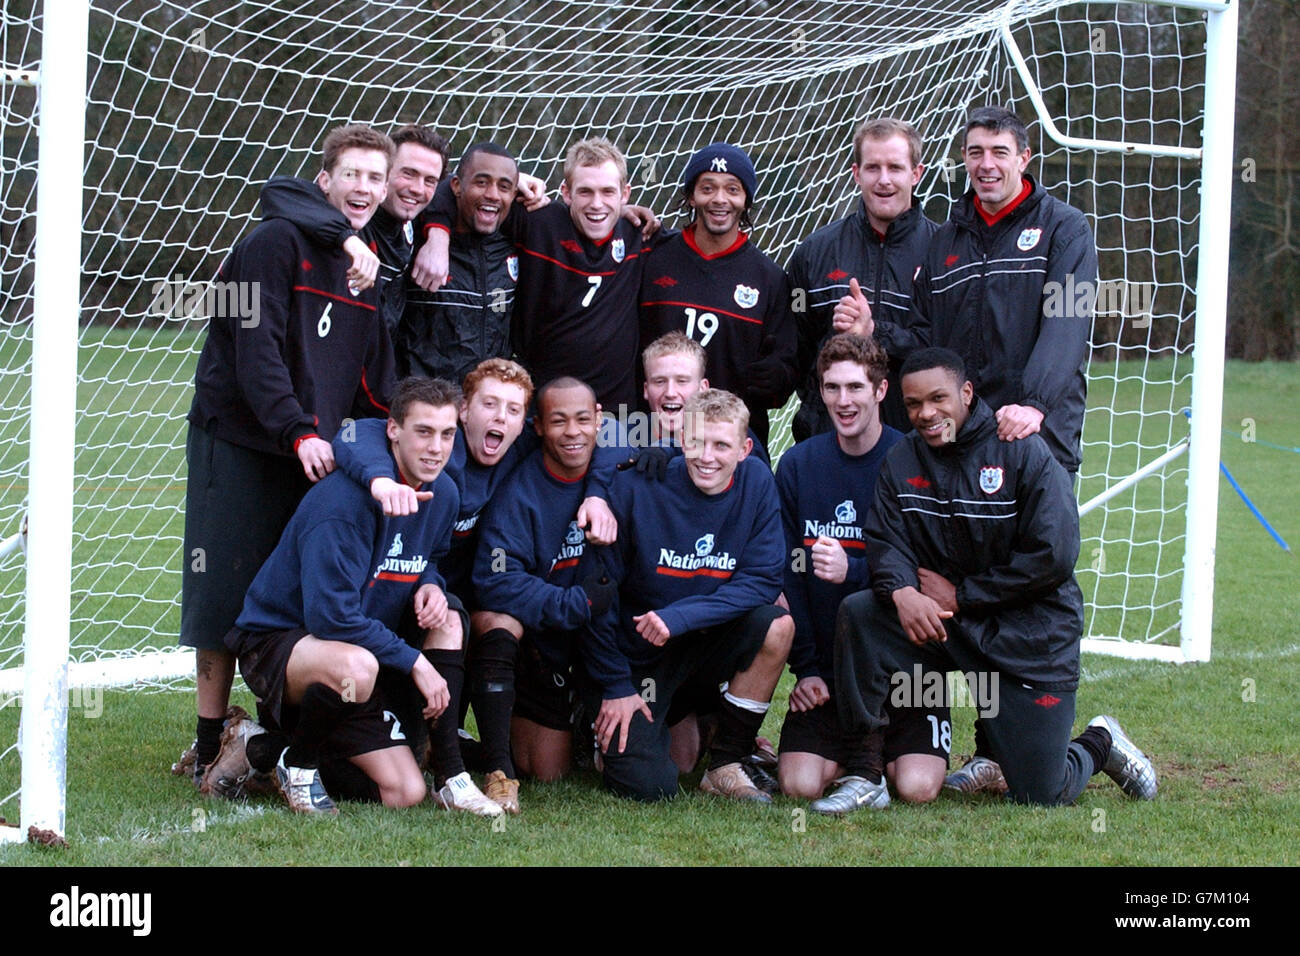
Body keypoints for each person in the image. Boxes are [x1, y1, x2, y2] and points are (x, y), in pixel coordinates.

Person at [833, 348, 1157, 810]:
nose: (926, 413)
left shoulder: (1022, 450)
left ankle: (1099, 742)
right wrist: (902, 590)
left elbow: (1054, 557)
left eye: (938, 399)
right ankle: (865, 774)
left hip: (1026, 634)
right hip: (944, 626)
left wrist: (963, 595)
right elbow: (886, 538)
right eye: (913, 404)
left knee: (1041, 793)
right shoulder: (903, 459)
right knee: (861, 613)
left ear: (966, 393)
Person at [177, 123, 398, 787]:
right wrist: (296, 429)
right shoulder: (273, 240)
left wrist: (387, 437)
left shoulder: (368, 263)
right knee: (221, 593)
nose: (364, 187)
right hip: (243, 440)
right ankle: (209, 740)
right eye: (352, 173)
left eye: (375, 177)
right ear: (324, 180)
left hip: (314, 450)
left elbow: (369, 375)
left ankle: (271, 739)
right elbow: (256, 348)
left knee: (290, 599)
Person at [222, 376, 502, 816]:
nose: (436, 448)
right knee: (358, 664)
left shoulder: (444, 491)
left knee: (404, 792)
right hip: (281, 644)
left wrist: (431, 583)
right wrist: (414, 662)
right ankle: (298, 765)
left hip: (360, 651)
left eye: (447, 434)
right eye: (423, 432)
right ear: (393, 431)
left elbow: (426, 555)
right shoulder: (344, 505)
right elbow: (330, 619)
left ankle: (263, 750)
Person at [583, 389, 794, 803]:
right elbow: (597, 600)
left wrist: (680, 616)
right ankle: (598, 730)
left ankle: (726, 763)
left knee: (776, 624)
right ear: (681, 440)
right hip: (637, 658)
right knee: (652, 785)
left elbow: (763, 580)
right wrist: (615, 686)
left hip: (700, 647)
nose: (707, 456)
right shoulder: (638, 485)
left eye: (721, 445)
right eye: (696, 442)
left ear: (745, 449)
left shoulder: (757, 482)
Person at [776, 334, 948, 812]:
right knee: (799, 783)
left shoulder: (913, 461)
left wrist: (852, 569)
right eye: (831, 388)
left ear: (880, 391)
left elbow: (927, 574)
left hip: (906, 667)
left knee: (917, 787)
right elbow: (789, 577)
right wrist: (807, 669)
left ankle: (885, 749)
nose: (843, 401)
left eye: (855, 387)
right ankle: (858, 751)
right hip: (832, 671)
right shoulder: (797, 465)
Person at [413, 136, 666, 412]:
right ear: (566, 192)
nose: (596, 204)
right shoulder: (539, 221)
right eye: (585, 192)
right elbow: (455, 191)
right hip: (540, 408)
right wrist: (438, 235)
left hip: (615, 415)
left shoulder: (639, 234)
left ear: (625, 194)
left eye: (608, 192)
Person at [469, 377, 620, 812]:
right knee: (546, 768)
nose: (572, 432)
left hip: (605, 639)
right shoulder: (519, 493)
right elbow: (493, 580)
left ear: (599, 424)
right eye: (558, 421)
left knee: (673, 756)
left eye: (582, 420)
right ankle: (495, 765)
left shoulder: (617, 471)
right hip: (545, 640)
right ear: (537, 426)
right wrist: (572, 605)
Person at [638, 143, 797, 446]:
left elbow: (784, 375)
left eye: (732, 189)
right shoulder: (651, 257)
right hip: (651, 438)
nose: (719, 199)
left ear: (747, 199)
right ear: (690, 195)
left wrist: (776, 377)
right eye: (707, 188)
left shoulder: (771, 279)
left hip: (729, 444)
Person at [787, 118, 938, 438]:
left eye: (895, 168)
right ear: (856, 173)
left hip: (916, 444)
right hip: (829, 441)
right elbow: (795, 352)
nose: (884, 180)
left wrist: (874, 332)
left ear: (916, 174)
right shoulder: (814, 252)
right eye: (873, 168)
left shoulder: (945, 255)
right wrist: (819, 410)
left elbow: (947, 352)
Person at [259, 124, 451, 332]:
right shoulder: (345, 212)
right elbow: (277, 189)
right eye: (408, 173)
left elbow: (462, 190)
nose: (417, 189)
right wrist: (346, 237)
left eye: (430, 180)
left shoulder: (413, 223)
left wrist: (439, 236)